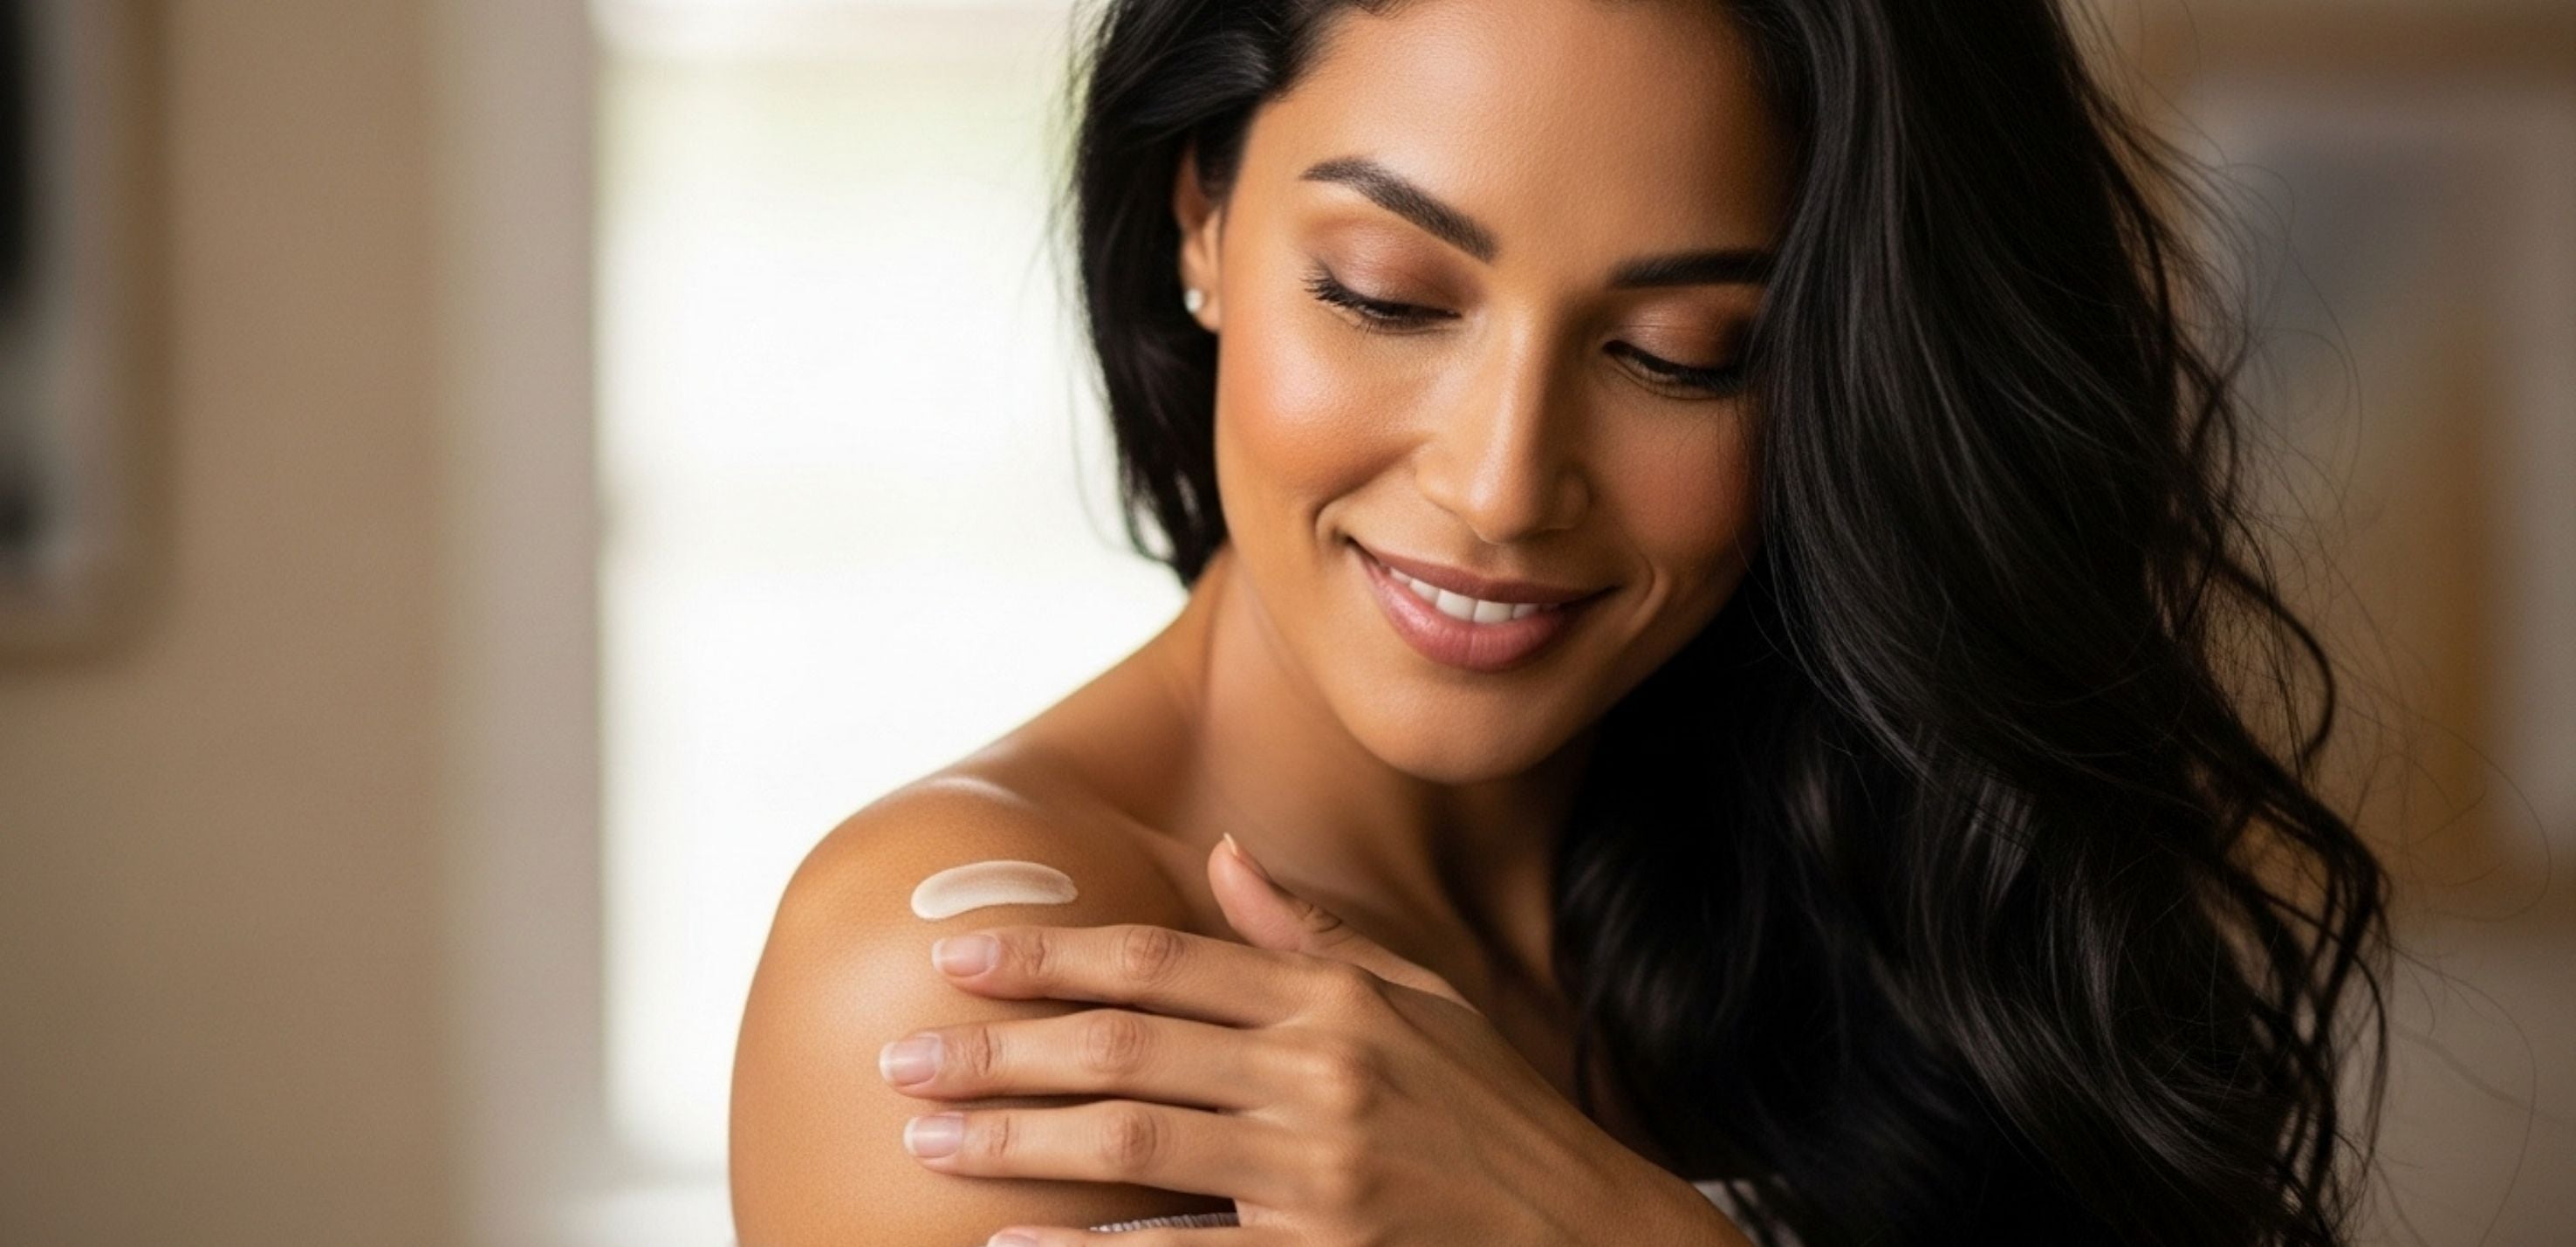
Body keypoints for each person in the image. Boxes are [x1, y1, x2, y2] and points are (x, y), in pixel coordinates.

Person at [728, 0, 2392, 1243]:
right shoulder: (977, 978)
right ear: (1202, 223)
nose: (1508, 481)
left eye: (1681, 349)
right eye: (1386, 293)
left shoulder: (1877, 883)